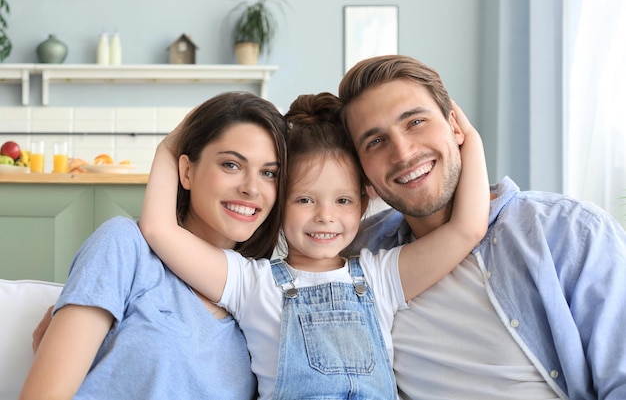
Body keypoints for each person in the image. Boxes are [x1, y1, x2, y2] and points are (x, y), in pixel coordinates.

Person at [139, 92, 489, 399]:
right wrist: (169, 146)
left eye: (343, 201)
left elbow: (467, 228)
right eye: (305, 200)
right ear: (278, 203)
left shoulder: (381, 276)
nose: (325, 217)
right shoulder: (249, 283)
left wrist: (469, 137)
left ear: (363, 205)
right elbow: (158, 228)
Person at [338, 54, 626, 399]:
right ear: (363, 171)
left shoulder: (572, 232)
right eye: (375, 141)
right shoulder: (357, 257)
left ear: (456, 127)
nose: (403, 153)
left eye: (415, 122)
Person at [19, 91, 289, 400]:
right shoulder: (125, 246)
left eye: (269, 173)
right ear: (186, 171)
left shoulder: (261, 295)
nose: (251, 188)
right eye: (231, 165)